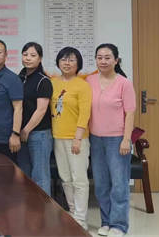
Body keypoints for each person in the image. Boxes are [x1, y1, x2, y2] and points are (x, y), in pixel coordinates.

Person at [87, 44, 136, 237]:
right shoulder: (89, 80)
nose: (103, 61)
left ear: (116, 60)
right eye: (99, 57)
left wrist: (126, 139)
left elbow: (130, 113)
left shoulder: (124, 83)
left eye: (107, 57)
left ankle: (119, 225)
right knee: (101, 184)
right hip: (95, 139)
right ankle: (106, 222)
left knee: (119, 184)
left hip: (117, 139)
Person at [50, 47, 92, 230]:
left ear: (78, 64)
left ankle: (81, 218)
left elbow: (85, 113)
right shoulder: (53, 82)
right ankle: (73, 212)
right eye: (63, 59)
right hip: (57, 137)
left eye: (71, 60)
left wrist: (78, 138)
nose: (67, 63)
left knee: (79, 179)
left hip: (76, 138)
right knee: (65, 178)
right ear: (58, 62)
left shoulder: (82, 85)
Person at [17, 42, 53, 195]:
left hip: (39, 134)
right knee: (23, 173)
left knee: (40, 175)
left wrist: (26, 130)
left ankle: (42, 208)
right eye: (25, 54)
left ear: (40, 58)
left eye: (33, 55)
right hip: (21, 133)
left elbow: (41, 109)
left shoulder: (43, 80)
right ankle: (27, 206)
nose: (28, 58)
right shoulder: (20, 77)